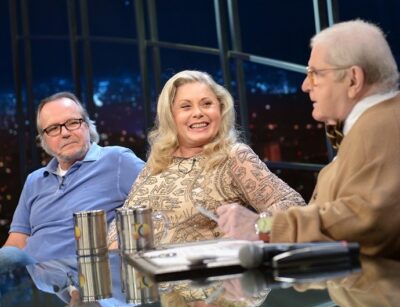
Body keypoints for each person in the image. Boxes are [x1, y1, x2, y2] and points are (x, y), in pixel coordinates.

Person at [216, 19, 400, 259]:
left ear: (353, 79)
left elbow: (362, 222)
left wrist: (259, 227)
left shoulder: (379, 129)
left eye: (315, 74)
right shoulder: (373, 125)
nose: (305, 85)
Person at [107, 70, 305, 247]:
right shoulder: (159, 161)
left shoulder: (234, 156)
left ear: (220, 109)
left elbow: (292, 206)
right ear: (171, 116)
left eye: (207, 104)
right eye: (186, 107)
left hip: (217, 281)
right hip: (156, 281)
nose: (198, 113)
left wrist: (255, 227)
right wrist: (116, 243)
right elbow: (123, 219)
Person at [2, 91, 144, 262]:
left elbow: (164, 203)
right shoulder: (34, 180)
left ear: (87, 125)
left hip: (91, 281)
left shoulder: (118, 160)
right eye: (54, 128)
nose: (65, 133)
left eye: (72, 122)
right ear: (44, 140)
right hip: (33, 283)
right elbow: (17, 243)